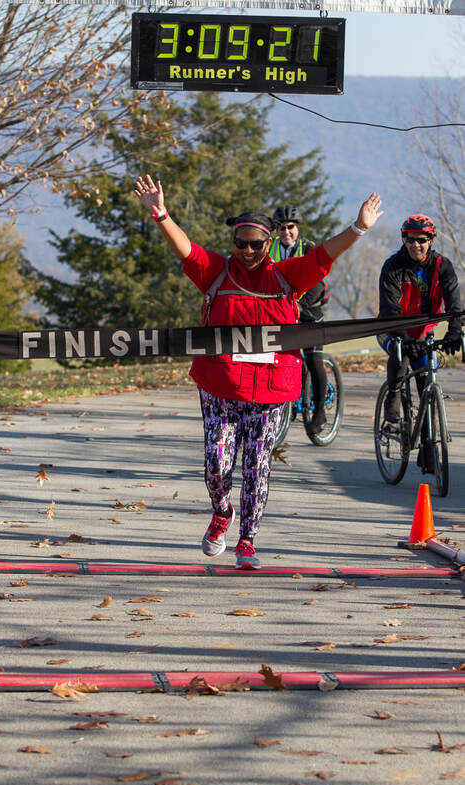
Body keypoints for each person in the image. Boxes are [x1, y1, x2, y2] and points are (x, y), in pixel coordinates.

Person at [135, 173, 382, 569]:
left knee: (256, 464)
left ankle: (247, 541)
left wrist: (358, 228)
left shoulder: (286, 276)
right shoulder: (217, 272)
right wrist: (161, 215)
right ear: (232, 242)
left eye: (254, 244)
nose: (247, 251)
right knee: (217, 462)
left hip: (270, 391)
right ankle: (221, 512)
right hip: (220, 385)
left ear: (268, 244)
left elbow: (323, 256)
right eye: (240, 243)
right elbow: (187, 252)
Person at [378, 214, 462, 473]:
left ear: (431, 240)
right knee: (400, 359)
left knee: (428, 385)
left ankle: (428, 448)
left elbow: (454, 303)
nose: (415, 245)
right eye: (409, 239)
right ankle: (392, 404)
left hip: (424, 332)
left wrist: (455, 332)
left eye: (421, 240)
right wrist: (403, 337)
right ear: (403, 239)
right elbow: (390, 308)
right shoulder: (392, 266)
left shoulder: (442, 266)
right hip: (392, 329)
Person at [270, 205, 329, 434]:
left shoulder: (308, 248)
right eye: (282, 228)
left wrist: (299, 306)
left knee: (314, 361)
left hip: (308, 311)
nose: (286, 232)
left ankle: (320, 411)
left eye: (291, 227)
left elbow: (318, 282)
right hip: (281, 312)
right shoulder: (270, 248)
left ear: (297, 228)